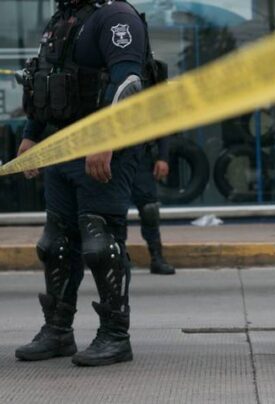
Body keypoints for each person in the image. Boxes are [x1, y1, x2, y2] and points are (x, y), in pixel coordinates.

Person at [14, 0, 154, 366]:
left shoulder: (116, 17)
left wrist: (105, 139)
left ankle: (115, 336)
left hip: (104, 149)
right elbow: (46, 76)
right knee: (56, 244)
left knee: (100, 241)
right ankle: (58, 331)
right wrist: (31, 135)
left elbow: (127, 83)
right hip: (62, 144)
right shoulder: (63, 18)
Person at [131, 138, 176, 275]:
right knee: (114, 212)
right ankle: (118, 258)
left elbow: (161, 133)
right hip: (113, 159)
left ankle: (157, 257)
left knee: (150, 210)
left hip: (141, 156)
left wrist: (163, 158)